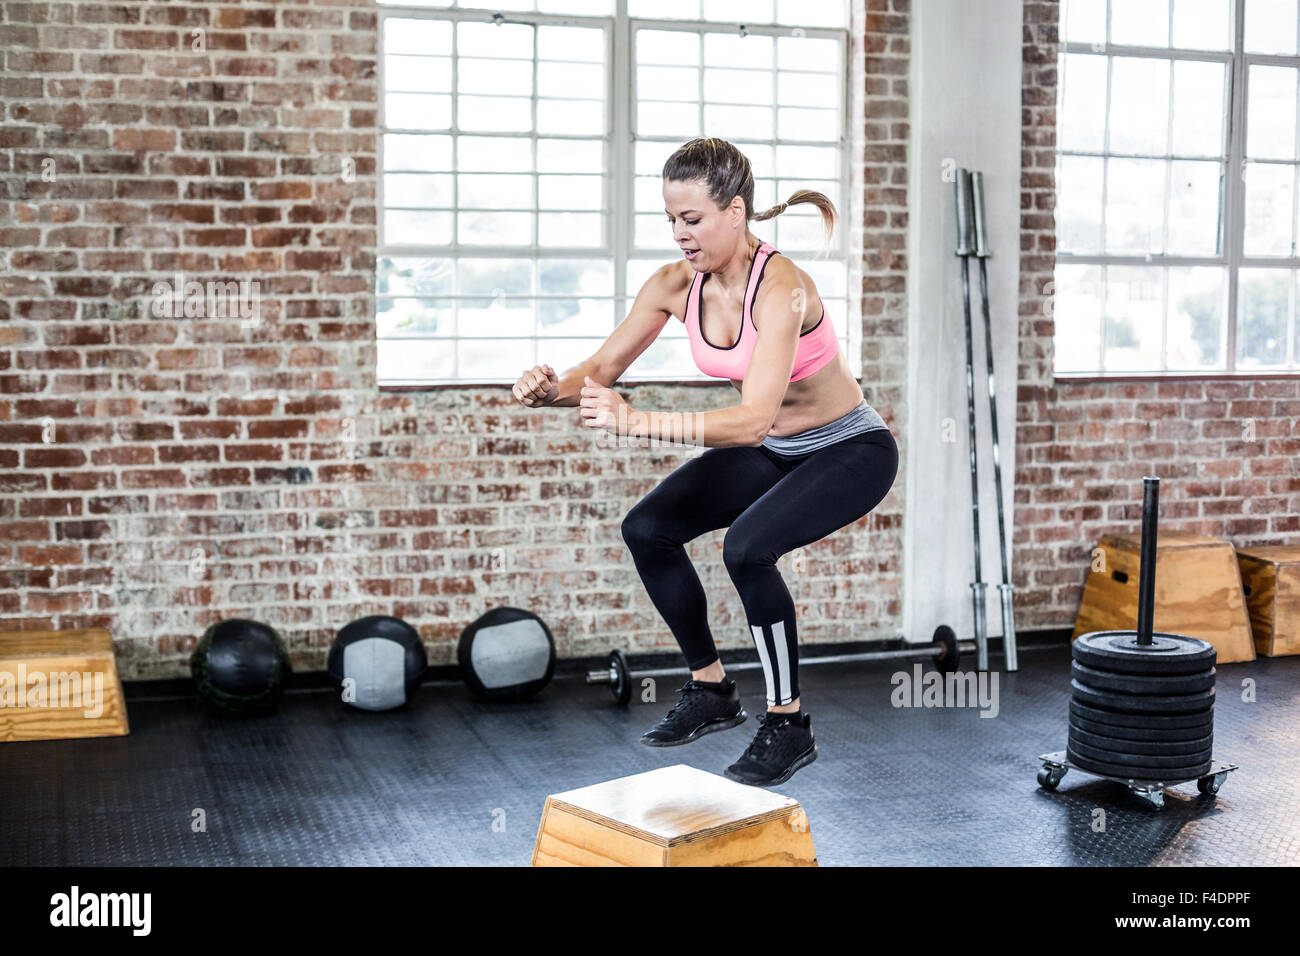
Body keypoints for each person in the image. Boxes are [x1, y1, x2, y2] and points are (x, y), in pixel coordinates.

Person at [511, 137, 899, 786]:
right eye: (670, 219)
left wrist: (638, 422)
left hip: (848, 450)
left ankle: (788, 724)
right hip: (777, 450)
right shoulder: (672, 285)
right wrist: (551, 389)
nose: (678, 235)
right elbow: (601, 372)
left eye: (691, 220)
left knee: (747, 549)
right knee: (648, 528)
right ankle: (711, 688)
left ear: (736, 212)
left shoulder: (784, 289)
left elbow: (750, 420)